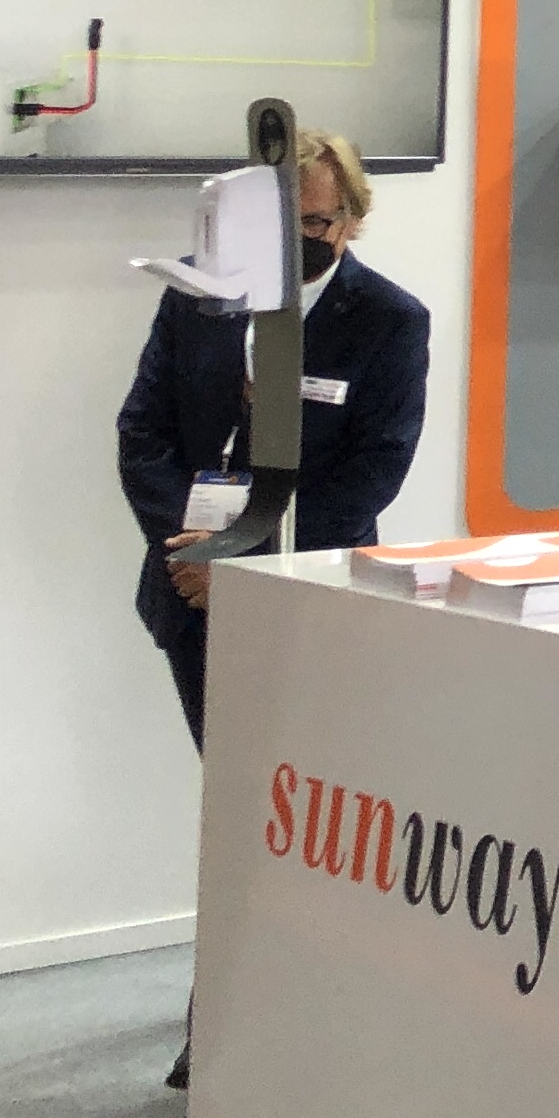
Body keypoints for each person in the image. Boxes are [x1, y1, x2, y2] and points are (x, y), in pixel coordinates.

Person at [118, 129, 432, 744]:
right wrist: (197, 552)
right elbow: (143, 432)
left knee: (302, 774)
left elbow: (375, 472)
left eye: (313, 223)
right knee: (224, 772)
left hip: (311, 591)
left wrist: (246, 558)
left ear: (351, 220)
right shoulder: (198, 292)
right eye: (278, 223)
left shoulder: (389, 320)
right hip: (191, 589)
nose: (293, 240)